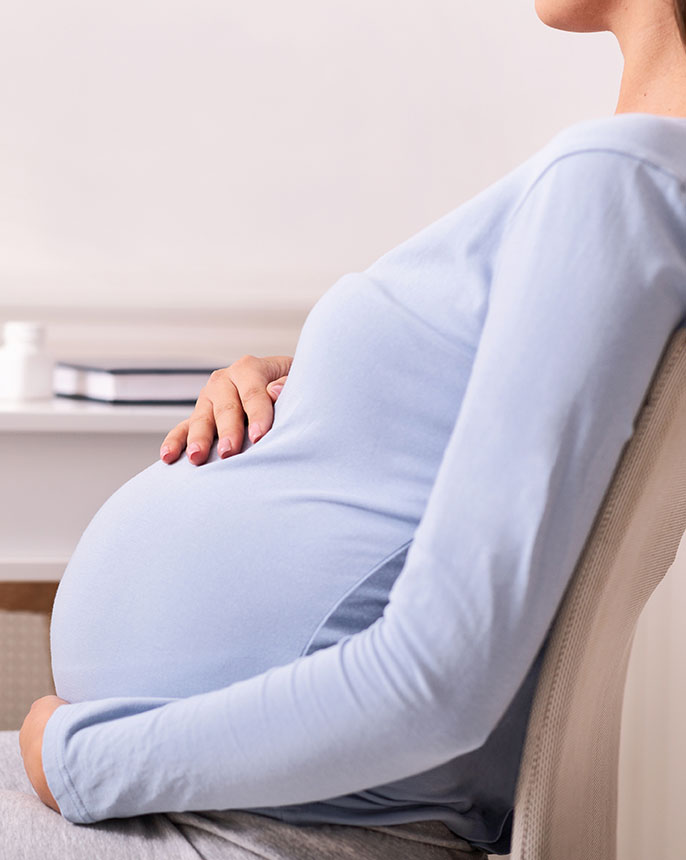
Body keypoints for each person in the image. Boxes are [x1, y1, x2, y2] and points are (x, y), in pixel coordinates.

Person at [4, 1, 686, 857]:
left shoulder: (619, 179)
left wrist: (82, 763)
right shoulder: (621, 179)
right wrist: (317, 389)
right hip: (250, 797)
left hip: (253, 814)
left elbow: (437, 685)